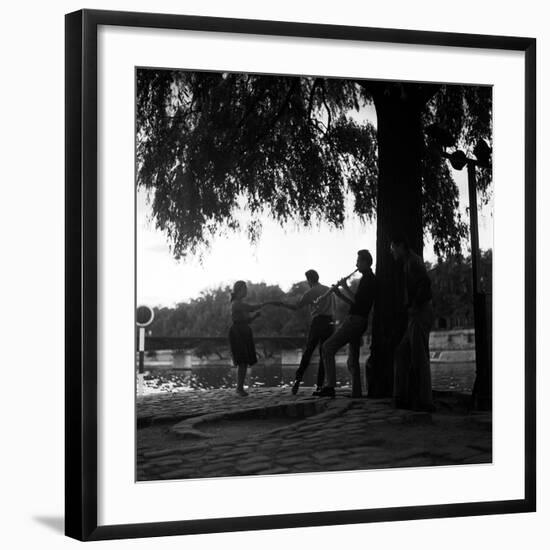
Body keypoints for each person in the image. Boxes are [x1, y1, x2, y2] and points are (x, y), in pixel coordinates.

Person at [317, 250, 377, 398]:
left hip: (355, 321)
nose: (356, 264)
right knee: (353, 358)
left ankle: (330, 386)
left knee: (327, 347)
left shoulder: (369, 279)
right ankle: (356, 392)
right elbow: (356, 303)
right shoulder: (367, 278)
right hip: (359, 320)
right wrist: (339, 294)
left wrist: (345, 286)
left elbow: (358, 301)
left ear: (364, 262)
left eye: (358, 261)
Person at [271, 270, 335, 395]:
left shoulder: (310, 292)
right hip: (330, 323)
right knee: (324, 355)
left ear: (309, 280)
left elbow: (296, 307)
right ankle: (320, 386)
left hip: (318, 323)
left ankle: (297, 381)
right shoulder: (329, 290)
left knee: (308, 352)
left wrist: (281, 304)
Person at [390, 235, 435, 412]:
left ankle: (425, 401)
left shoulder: (413, 262)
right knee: (402, 353)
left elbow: (425, 284)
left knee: (419, 357)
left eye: (393, 247)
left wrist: (415, 306)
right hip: (416, 313)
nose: (391, 251)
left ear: (401, 245)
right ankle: (402, 396)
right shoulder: (409, 261)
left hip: (420, 313)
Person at [228, 281, 266, 396]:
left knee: (244, 361)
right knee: (242, 360)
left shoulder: (240, 303)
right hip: (238, 333)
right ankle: (239, 388)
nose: (246, 291)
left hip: (243, 332)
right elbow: (251, 308)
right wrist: (262, 305)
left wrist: (255, 316)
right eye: (245, 289)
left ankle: (240, 388)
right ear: (239, 290)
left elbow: (247, 320)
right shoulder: (236, 303)